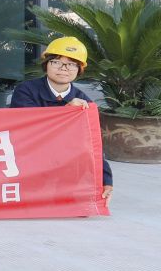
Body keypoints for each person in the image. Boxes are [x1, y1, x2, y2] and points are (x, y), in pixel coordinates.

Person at [10, 36, 112, 200]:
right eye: (56, 62)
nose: (64, 68)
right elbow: (29, 127)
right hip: (28, 163)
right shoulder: (25, 90)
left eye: (71, 64)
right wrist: (66, 112)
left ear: (79, 69)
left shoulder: (84, 102)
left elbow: (92, 144)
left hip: (64, 168)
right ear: (46, 64)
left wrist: (106, 179)